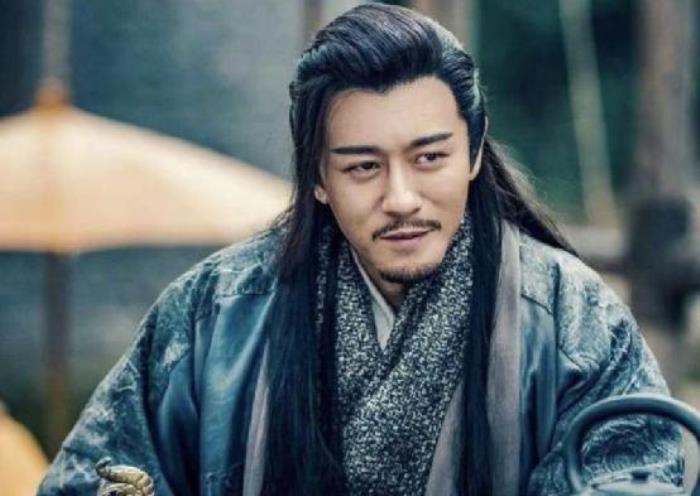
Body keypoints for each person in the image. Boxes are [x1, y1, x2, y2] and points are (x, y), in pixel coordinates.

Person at [39, 4, 683, 495]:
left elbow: (640, 474)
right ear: (317, 178)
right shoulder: (212, 315)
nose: (400, 198)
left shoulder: (571, 317)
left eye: (429, 158)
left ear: (473, 151)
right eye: (362, 167)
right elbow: (95, 477)